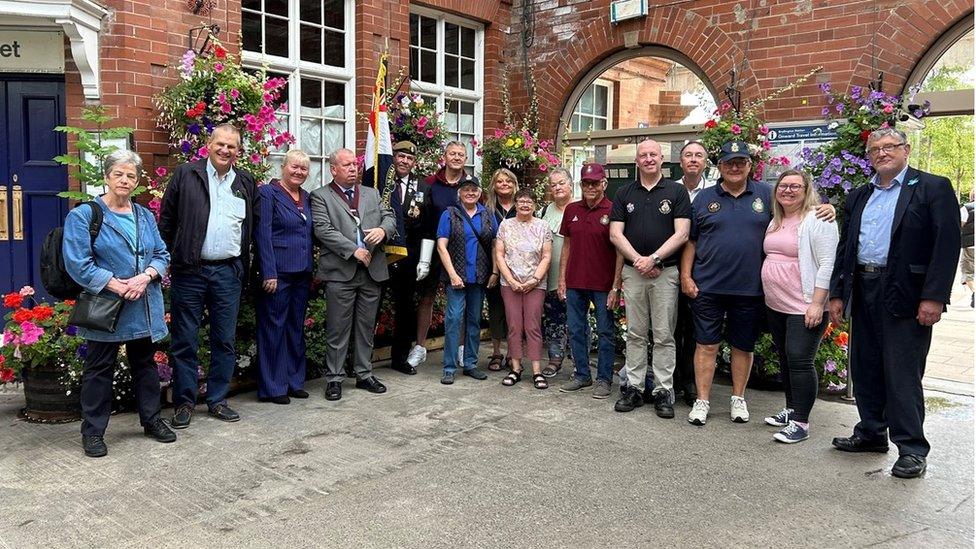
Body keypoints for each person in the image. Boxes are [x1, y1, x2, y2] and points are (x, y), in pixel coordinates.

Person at [829, 128, 960, 478]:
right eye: (875, 148)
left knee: (902, 371)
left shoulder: (932, 187)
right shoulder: (860, 194)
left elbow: (946, 246)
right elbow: (847, 248)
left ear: (906, 149)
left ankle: (912, 448)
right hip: (864, 285)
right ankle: (872, 432)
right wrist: (838, 293)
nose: (882, 153)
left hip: (906, 290)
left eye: (890, 147)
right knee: (865, 365)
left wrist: (933, 297)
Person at [681, 141, 834, 427]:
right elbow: (691, 241)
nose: (735, 167)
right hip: (708, 287)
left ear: (750, 165)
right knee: (706, 345)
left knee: (743, 346)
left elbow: (798, 211)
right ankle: (702, 401)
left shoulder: (767, 194)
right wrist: (686, 276)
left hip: (751, 290)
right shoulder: (703, 198)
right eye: (729, 163)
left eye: (741, 162)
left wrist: (826, 208)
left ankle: (738, 398)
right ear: (720, 167)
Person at [63, 150, 174, 457]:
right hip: (107, 306)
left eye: (131, 176)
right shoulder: (84, 215)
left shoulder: (144, 216)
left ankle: (152, 420)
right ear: (106, 177)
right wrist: (115, 283)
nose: (125, 180)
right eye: (119, 174)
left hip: (142, 301)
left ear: (137, 182)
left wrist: (145, 277)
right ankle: (93, 432)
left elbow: (162, 254)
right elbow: (77, 263)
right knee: (99, 368)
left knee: (146, 365)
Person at [160, 124, 257, 428]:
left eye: (232, 146)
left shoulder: (245, 181)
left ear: (238, 151)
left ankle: (217, 399)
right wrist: (168, 260)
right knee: (185, 339)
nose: (226, 150)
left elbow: (249, 229)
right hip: (190, 271)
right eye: (221, 144)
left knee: (224, 339)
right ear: (209, 144)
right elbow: (166, 221)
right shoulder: (186, 175)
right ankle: (185, 402)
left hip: (228, 272)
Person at [609, 139, 691, 416]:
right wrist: (639, 261)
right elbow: (615, 234)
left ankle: (662, 390)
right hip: (634, 273)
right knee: (634, 333)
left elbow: (682, 234)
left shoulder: (677, 192)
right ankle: (633, 388)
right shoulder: (624, 193)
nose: (648, 159)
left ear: (662, 158)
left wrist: (654, 259)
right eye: (643, 155)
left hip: (665, 272)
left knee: (665, 334)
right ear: (637, 161)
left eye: (653, 154)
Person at [310, 148, 397, 401]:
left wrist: (383, 230)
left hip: (372, 271)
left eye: (355, 164)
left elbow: (389, 216)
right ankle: (335, 378)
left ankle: (363, 373)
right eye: (346, 165)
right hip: (340, 272)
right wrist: (354, 250)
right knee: (338, 329)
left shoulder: (372, 193)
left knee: (366, 327)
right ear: (333, 169)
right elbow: (323, 230)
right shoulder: (320, 196)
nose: (353, 168)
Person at [760, 170, 838, 443]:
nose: (788, 191)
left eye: (795, 186)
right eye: (783, 186)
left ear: (806, 191)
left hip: (804, 304)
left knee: (800, 361)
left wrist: (817, 304)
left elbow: (828, 263)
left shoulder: (818, 219)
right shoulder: (776, 220)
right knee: (785, 357)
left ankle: (801, 423)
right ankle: (792, 409)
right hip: (777, 304)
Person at [253, 149, 314, 404]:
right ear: (283, 167)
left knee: (294, 328)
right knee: (273, 328)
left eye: (303, 169)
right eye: (294, 167)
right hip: (277, 273)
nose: (299, 172)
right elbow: (262, 234)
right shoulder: (268, 193)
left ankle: (293, 381)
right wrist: (269, 272)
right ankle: (273, 387)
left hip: (302, 272)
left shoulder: (307, 197)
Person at [558, 163, 623, 400]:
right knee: (576, 330)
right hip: (575, 281)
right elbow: (566, 245)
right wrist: (562, 278)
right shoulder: (571, 209)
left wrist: (616, 285)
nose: (590, 187)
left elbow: (619, 251)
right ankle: (582, 374)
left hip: (603, 284)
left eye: (595, 183)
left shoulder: (614, 210)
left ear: (604, 183)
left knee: (605, 332)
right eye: (586, 183)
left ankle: (604, 379)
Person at [414, 141, 479, 366]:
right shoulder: (431, 183)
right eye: (453, 153)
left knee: (460, 299)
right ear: (445, 156)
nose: (457, 157)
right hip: (433, 248)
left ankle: (461, 348)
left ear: (466, 158)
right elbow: (421, 218)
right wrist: (422, 256)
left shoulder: (470, 185)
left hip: (461, 251)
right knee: (427, 296)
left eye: (461, 154)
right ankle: (420, 347)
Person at [436, 178, 498, 384]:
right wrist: (452, 274)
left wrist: (495, 272)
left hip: (479, 277)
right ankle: (449, 367)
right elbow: (441, 246)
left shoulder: (488, 215)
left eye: (474, 190)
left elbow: (495, 246)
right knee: (453, 321)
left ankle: (470, 364)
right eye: (466, 190)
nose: (470, 193)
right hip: (456, 278)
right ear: (460, 193)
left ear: (480, 193)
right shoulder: (449, 214)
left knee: (474, 321)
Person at [495, 188, 553, 389]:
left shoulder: (543, 226)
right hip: (509, 283)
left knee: (532, 326)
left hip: (535, 284)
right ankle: (516, 368)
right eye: (521, 201)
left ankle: (537, 370)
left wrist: (535, 279)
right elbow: (500, 254)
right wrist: (510, 279)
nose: (525, 205)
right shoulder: (505, 225)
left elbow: (546, 256)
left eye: (529, 202)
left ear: (534, 205)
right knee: (514, 325)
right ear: (515, 204)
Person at [384, 141, 431, 375]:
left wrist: (425, 259)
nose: (404, 161)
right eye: (400, 156)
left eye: (409, 158)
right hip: (380, 257)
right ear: (394, 157)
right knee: (369, 309)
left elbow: (428, 228)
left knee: (405, 311)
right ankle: (358, 361)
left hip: (409, 258)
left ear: (414, 162)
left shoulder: (422, 187)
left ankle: (400, 358)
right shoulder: (380, 183)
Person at [673, 141, 713, 405]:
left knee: (695, 329)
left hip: (704, 270)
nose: (693, 160)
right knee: (672, 328)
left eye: (699, 155)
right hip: (667, 269)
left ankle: (689, 382)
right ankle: (671, 380)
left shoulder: (714, 192)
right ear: (681, 162)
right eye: (688, 155)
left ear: (705, 162)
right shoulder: (670, 190)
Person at [539, 167, 574, 378]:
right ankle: (554, 359)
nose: (557, 188)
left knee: (578, 322)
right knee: (553, 319)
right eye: (553, 185)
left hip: (577, 276)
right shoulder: (544, 212)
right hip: (550, 276)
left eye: (561, 183)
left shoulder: (580, 208)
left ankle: (580, 363)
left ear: (570, 184)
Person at [483, 168, 519, 371]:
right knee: (496, 309)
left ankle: (512, 352)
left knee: (514, 313)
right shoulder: (488, 210)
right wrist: (495, 272)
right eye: (499, 182)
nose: (504, 184)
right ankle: (496, 352)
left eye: (508, 181)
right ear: (494, 186)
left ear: (514, 185)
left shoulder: (523, 206)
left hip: (520, 267)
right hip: (493, 267)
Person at [960, 190, 974, 308]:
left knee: (967, 272)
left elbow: (959, 224)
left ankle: (974, 292)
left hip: (970, 245)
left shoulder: (967, 208)